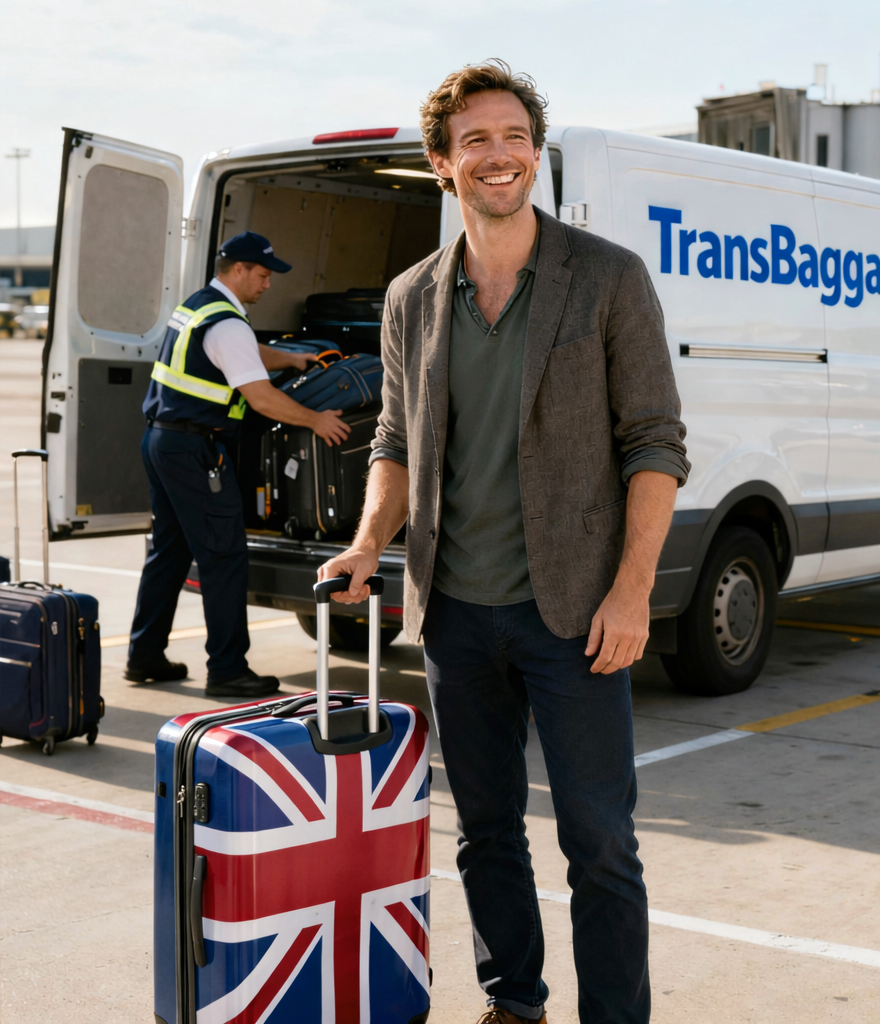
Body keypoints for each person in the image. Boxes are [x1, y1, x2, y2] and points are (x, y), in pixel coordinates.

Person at [319, 62, 689, 1024]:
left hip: (576, 615)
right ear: (443, 164)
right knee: (486, 831)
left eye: (516, 136)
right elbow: (396, 441)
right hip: (457, 613)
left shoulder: (606, 277)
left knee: (600, 838)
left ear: (536, 152)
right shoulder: (412, 297)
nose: (500, 155)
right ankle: (512, 1002)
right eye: (477, 140)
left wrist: (631, 591)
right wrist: (368, 544)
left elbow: (655, 444)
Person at [126, 231, 350, 697]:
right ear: (239, 270)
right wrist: (317, 420)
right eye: (263, 275)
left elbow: (241, 356)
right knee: (223, 557)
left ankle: (144, 656)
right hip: (196, 451)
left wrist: (291, 358)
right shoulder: (228, 323)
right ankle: (227, 670)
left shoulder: (201, 306)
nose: (267, 285)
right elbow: (261, 398)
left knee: (168, 552)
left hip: (162, 441)